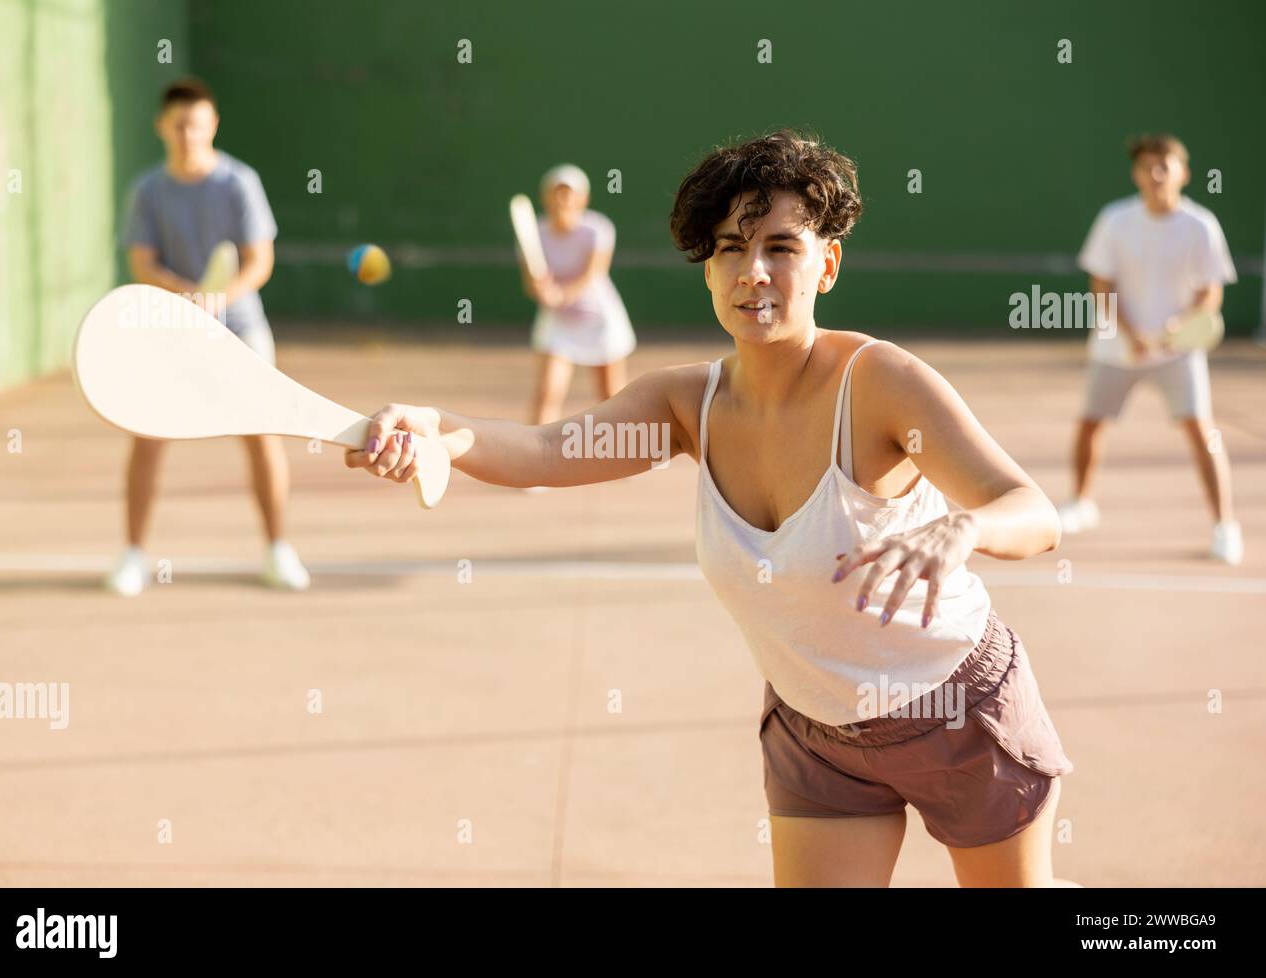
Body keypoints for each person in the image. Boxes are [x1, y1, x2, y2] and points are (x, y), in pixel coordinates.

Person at [347, 130, 1078, 887]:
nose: (752, 272)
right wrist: (434, 428)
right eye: (730, 248)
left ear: (826, 265)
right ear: (708, 270)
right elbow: (540, 450)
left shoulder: (880, 383)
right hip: (815, 733)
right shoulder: (683, 404)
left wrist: (965, 526)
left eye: (781, 248)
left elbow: (1034, 513)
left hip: (955, 708)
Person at [105, 77, 310, 596]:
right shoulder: (148, 191)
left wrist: (222, 296)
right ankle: (132, 556)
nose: (187, 133)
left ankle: (277, 549)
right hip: (170, 328)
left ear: (212, 125)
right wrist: (185, 292)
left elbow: (259, 260)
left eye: (196, 124)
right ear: (162, 127)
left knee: (261, 435)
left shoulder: (239, 182)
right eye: (178, 124)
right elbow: (141, 263)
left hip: (238, 326)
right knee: (148, 437)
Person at [1057, 134, 1242, 564]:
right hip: (1115, 347)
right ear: (1136, 173)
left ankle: (1224, 527)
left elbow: (1210, 291)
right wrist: (1131, 333)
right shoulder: (1115, 220)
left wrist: (1185, 326)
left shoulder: (1201, 225)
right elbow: (1101, 284)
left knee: (1202, 431)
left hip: (1179, 353)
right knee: (1091, 423)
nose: (1156, 174)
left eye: (1165, 166)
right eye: (1147, 167)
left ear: (1183, 173)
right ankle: (1082, 503)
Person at [520, 164, 637, 434]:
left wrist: (560, 294)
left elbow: (593, 274)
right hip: (558, 323)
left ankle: (625, 455)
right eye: (557, 193)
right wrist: (540, 290)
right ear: (546, 197)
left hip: (600, 320)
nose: (564, 199)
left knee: (612, 396)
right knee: (548, 392)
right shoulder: (533, 232)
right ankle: (533, 461)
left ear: (583, 198)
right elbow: (530, 282)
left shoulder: (599, 229)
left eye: (570, 193)